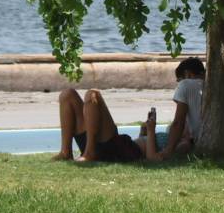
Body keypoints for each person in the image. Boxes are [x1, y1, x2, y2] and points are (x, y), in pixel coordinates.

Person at [52, 56, 205, 163]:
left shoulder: (183, 144)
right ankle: (66, 152)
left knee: (93, 96)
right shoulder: (178, 134)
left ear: (187, 75)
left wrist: (151, 132)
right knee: (68, 95)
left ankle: (90, 152)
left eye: (179, 80)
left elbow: (152, 157)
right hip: (121, 147)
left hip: (123, 149)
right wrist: (144, 132)